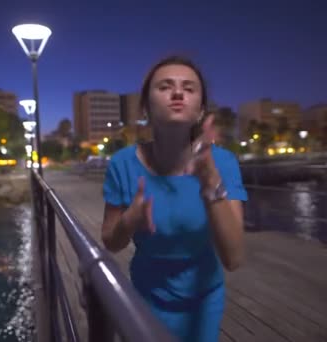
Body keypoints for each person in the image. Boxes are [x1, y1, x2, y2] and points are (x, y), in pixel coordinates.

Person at [101, 55, 248, 342]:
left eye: (189, 88)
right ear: (145, 106)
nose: (178, 93)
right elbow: (111, 242)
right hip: (145, 296)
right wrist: (129, 221)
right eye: (165, 86)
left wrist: (210, 183)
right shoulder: (122, 164)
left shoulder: (223, 163)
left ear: (201, 108)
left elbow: (234, 258)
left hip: (203, 299)